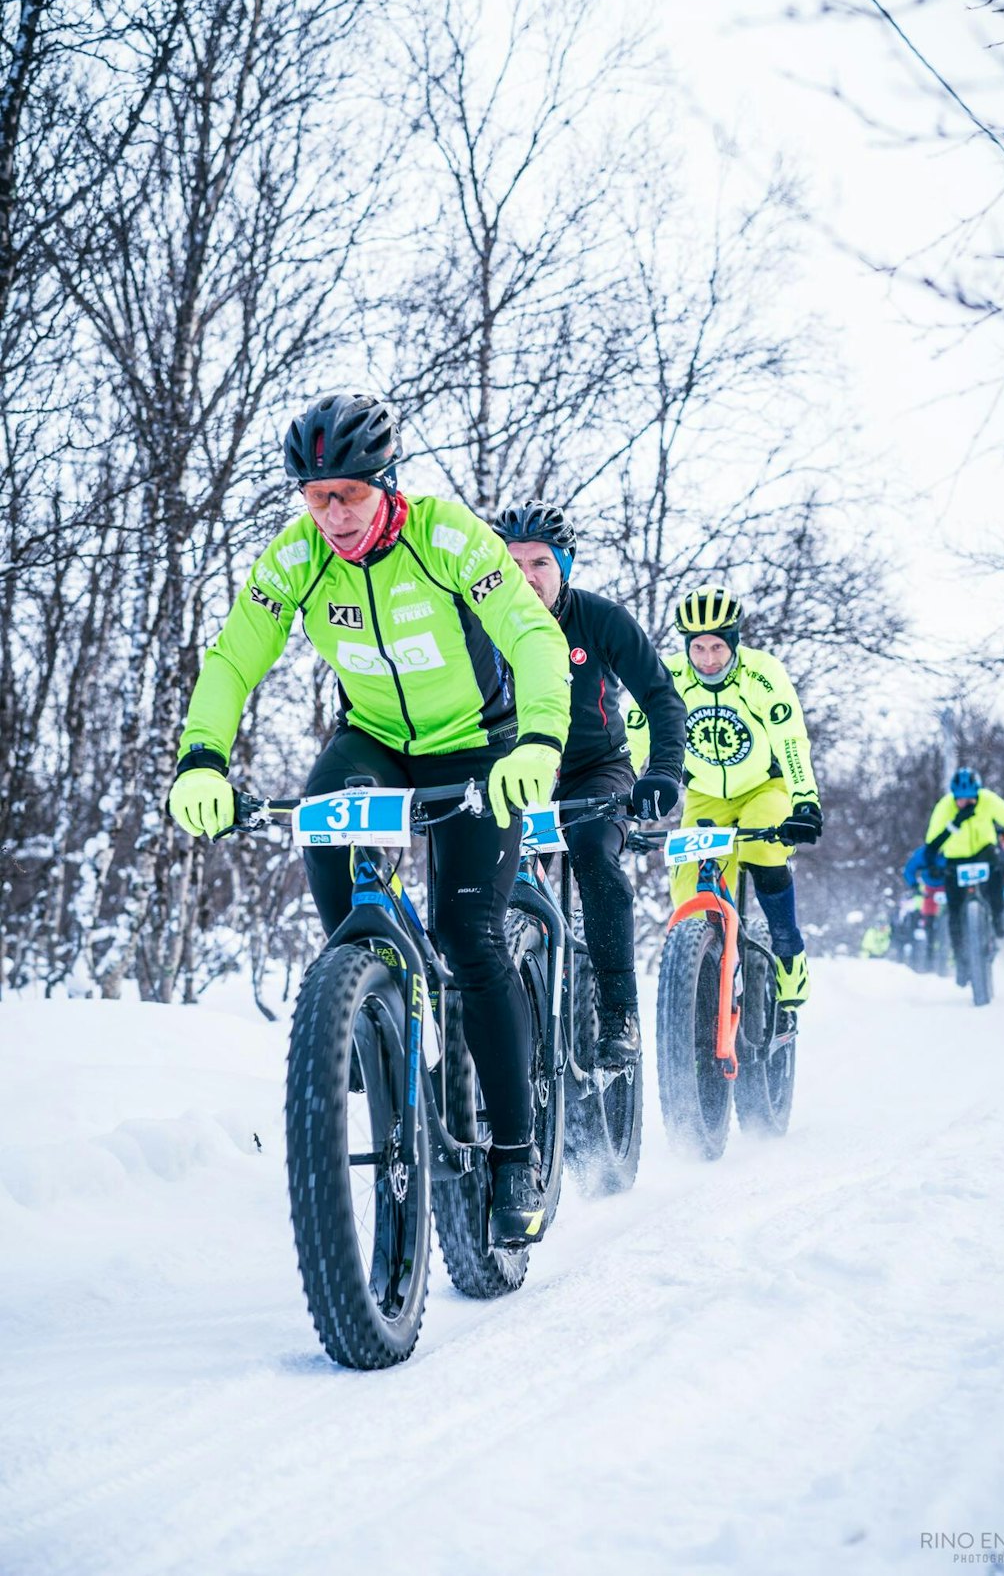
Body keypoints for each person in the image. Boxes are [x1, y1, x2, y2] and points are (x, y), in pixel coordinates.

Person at [167, 393, 571, 1247]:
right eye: (317, 497)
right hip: (375, 740)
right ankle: (367, 1002)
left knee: (469, 934)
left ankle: (516, 1154)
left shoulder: (446, 535)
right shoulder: (299, 555)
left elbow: (532, 634)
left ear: (386, 484)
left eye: (349, 493)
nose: (334, 514)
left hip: (477, 743)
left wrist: (538, 741)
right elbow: (235, 654)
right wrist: (202, 756)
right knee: (323, 830)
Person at [492, 502, 686, 1069]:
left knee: (594, 854)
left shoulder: (601, 619)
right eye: (513, 563)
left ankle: (619, 1010)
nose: (527, 576)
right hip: (510, 772)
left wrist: (663, 771)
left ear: (565, 567)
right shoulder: (477, 621)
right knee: (474, 878)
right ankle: (458, 1024)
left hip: (593, 770)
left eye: (540, 563)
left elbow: (662, 698)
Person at [627, 587, 822, 1018]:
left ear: (734, 641)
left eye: (717, 647)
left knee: (762, 850)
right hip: (706, 795)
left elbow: (791, 740)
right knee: (687, 889)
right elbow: (634, 738)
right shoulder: (668, 677)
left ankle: (788, 950)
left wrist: (805, 801)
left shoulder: (762, 674)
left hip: (764, 787)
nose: (708, 659)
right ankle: (705, 971)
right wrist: (621, 799)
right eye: (698, 648)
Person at [924, 767, 1004, 983]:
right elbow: (932, 841)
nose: (965, 802)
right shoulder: (944, 806)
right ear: (953, 796)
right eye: (960, 799)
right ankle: (961, 960)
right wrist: (954, 824)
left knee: (996, 876)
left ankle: (997, 919)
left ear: (977, 793)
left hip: (984, 853)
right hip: (956, 859)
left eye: (970, 798)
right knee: (954, 910)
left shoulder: (988, 800)